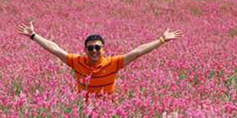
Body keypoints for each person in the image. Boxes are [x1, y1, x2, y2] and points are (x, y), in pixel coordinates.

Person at [17, 21, 182, 96]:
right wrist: (33, 35)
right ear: (85, 50)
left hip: (108, 112)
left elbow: (138, 52)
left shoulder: (113, 63)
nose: (94, 50)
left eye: (97, 47)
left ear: (104, 49)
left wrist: (162, 40)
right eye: (90, 48)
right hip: (84, 111)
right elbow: (55, 49)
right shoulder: (77, 61)